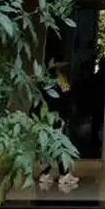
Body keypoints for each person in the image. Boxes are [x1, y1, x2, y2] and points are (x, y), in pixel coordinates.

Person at [37, 62, 79, 191]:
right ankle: (64, 174)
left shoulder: (42, 86)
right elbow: (62, 102)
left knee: (47, 146)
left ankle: (45, 173)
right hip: (55, 120)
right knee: (60, 146)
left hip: (44, 121)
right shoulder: (55, 87)